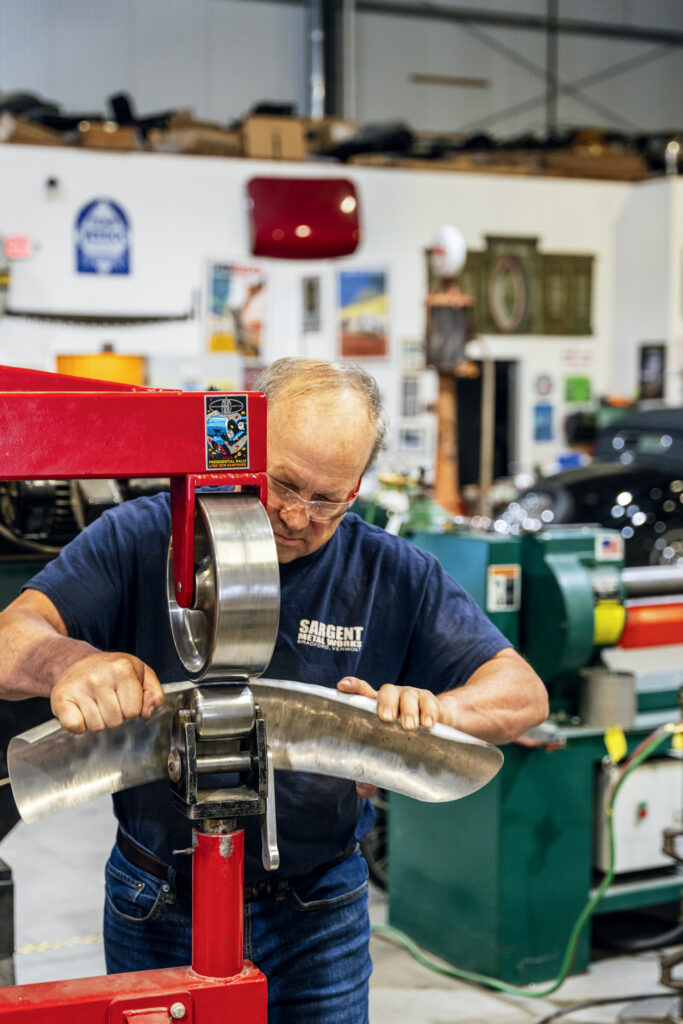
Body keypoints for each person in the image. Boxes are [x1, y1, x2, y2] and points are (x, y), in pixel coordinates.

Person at [0, 358, 548, 1024]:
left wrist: (442, 709)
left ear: (357, 490)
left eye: (327, 499)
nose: (295, 514)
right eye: (282, 482)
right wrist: (69, 662)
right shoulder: (145, 535)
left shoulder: (388, 569)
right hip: (160, 898)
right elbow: (11, 637)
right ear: (241, 449)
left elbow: (522, 692)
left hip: (321, 906)